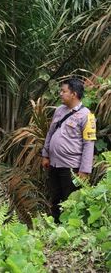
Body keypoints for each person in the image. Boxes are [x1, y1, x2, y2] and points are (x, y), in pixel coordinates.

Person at [41, 78, 96, 223]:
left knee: (70, 199)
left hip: (71, 167)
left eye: (64, 91)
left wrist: (84, 170)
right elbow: (50, 133)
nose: (60, 94)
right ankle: (55, 226)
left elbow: (89, 144)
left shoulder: (86, 115)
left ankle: (68, 229)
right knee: (56, 197)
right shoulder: (59, 110)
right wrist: (45, 155)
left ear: (74, 94)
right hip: (54, 164)